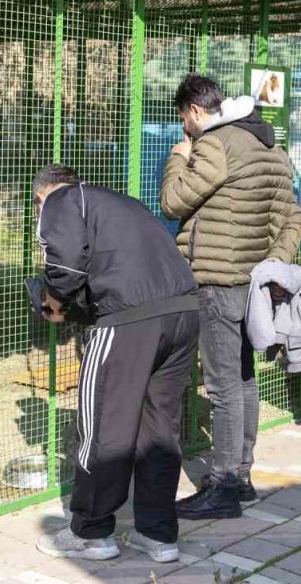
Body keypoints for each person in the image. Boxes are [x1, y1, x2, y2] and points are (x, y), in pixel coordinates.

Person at [30, 165, 200, 563]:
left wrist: (53, 301)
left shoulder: (61, 199)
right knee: (159, 428)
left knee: (104, 423)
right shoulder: (124, 204)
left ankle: (91, 533)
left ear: (43, 196)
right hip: (184, 315)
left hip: (130, 321)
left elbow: (67, 265)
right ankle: (157, 536)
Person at [161, 74, 301, 520]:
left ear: (197, 111)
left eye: (185, 119)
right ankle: (240, 475)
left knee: (222, 387)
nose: (186, 128)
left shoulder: (212, 143)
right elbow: (292, 218)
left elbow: (172, 202)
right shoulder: (271, 147)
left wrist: (177, 157)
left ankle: (223, 484)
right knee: (243, 380)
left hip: (217, 283)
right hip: (252, 286)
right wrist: (272, 266)